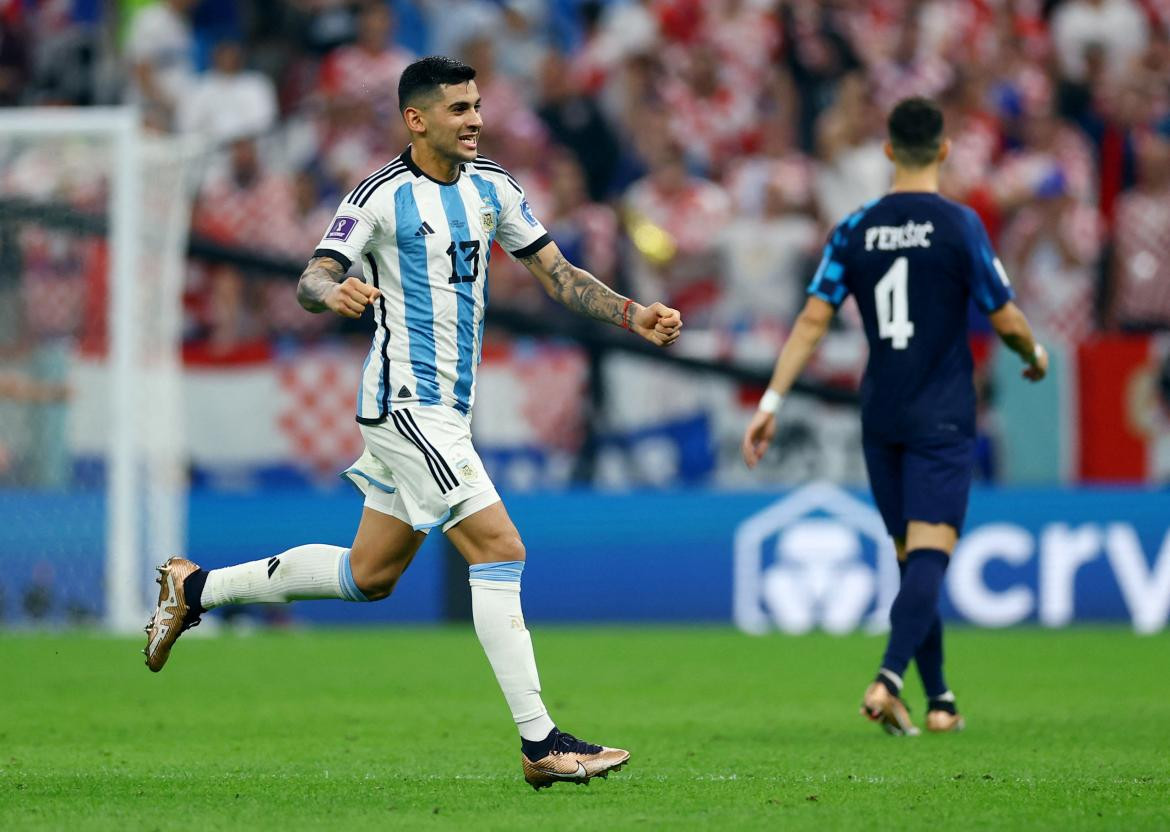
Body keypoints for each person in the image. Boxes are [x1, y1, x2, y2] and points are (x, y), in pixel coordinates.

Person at [144, 56, 682, 788]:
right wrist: (330, 294)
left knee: (369, 575)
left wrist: (631, 314)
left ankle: (195, 588)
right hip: (406, 403)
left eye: (478, 105)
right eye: (459, 109)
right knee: (500, 548)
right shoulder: (379, 197)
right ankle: (540, 744)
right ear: (417, 118)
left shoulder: (495, 187)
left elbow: (558, 276)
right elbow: (313, 273)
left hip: (443, 409)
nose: (476, 120)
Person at [742, 97, 1047, 736]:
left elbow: (812, 321)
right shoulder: (960, 224)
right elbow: (1006, 315)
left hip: (880, 412)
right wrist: (1034, 353)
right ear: (943, 150)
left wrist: (771, 402)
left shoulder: (854, 228)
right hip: (941, 412)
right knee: (931, 552)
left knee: (912, 558)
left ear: (887, 152)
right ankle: (888, 677)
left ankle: (939, 700)